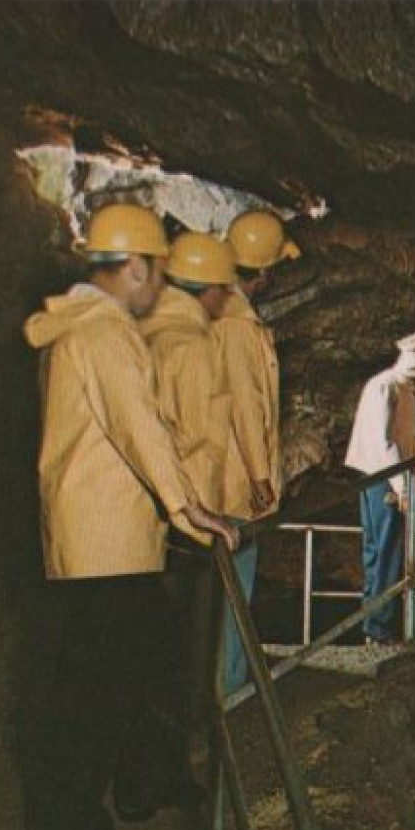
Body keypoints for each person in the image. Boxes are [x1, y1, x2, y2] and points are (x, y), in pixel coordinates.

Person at [21, 202, 238, 830]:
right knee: (96, 686)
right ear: (137, 267)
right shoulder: (105, 333)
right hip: (107, 544)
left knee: (111, 674)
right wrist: (186, 507)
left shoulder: (73, 327)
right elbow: (136, 424)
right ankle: (67, 814)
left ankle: (113, 790)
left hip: (88, 536)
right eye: (159, 273)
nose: (161, 287)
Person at [140, 231, 237, 745]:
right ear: (208, 289)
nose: (231, 294)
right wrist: (205, 519)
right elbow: (195, 442)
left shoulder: (148, 332)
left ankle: (146, 768)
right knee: (185, 653)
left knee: (153, 649)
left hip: (150, 521)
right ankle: (167, 768)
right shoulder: (192, 347)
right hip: (187, 528)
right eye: (226, 284)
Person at [213, 209, 298, 695]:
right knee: (233, 595)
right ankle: (226, 692)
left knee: (219, 594)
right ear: (264, 272)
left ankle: (220, 687)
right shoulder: (239, 328)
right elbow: (246, 405)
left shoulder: (211, 314)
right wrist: (261, 476)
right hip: (235, 485)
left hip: (213, 476)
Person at [343, 330, 415, 645]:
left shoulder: (404, 390)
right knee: (385, 554)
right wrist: (404, 489)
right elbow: (383, 445)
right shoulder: (384, 387)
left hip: (390, 478)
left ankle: (375, 625)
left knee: (382, 553)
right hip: (382, 479)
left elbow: (411, 447)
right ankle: (379, 628)